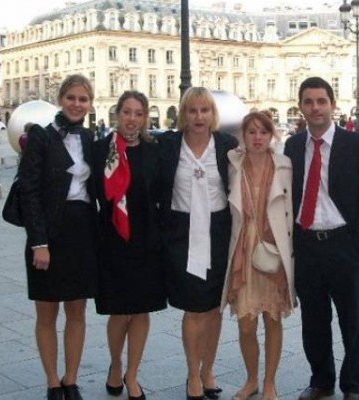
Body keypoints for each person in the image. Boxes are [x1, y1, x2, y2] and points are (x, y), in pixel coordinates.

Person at [283, 77, 359, 400]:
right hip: (307, 245)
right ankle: (321, 380)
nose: (315, 108)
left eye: (321, 101)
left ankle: (353, 385)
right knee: (313, 321)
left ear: (332, 104)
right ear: (301, 106)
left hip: (343, 245)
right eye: (309, 102)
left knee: (351, 321)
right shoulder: (293, 146)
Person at [18, 74, 98, 400]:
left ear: (90, 104)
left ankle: (71, 378)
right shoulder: (41, 137)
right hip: (49, 229)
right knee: (47, 312)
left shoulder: (91, 139)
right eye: (71, 98)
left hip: (82, 229)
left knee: (77, 311)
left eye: (83, 99)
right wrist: (39, 242)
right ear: (60, 100)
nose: (77, 104)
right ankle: (52, 380)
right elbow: (29, 191)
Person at [156, 87, 238, 400]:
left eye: (204, 110)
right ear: (183, 114)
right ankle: (192, 373)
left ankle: (208, 370)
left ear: (212, 114)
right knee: (193, 307)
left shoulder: (227, 145)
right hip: (181, 232)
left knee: (214, 307)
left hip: (218, 232)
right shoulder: (168, 145)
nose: (199, 117)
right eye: (192, 111)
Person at [93, 91, 166, 400]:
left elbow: (164, 193)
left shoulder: (154, 151)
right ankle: (115, 364)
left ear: (145, 117)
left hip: (147, 240)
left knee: (141, 311)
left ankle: (132, 374)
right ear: (117, 114)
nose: (132, 119)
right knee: (119, 312)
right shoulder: (100, 150)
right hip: (112, 239)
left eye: (138, 113)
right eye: (127, 112)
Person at [221, 111, 296, 400]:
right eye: (251, 132)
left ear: (271, 135)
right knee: (246, 322)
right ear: (243, 135)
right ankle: (251, 378)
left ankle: (269, 382)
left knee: (272, 318)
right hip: (242, 246)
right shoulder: (232, 163)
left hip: (273, 247)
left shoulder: (284, 165)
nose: (257, 138)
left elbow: (290, 212)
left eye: (263, 132)